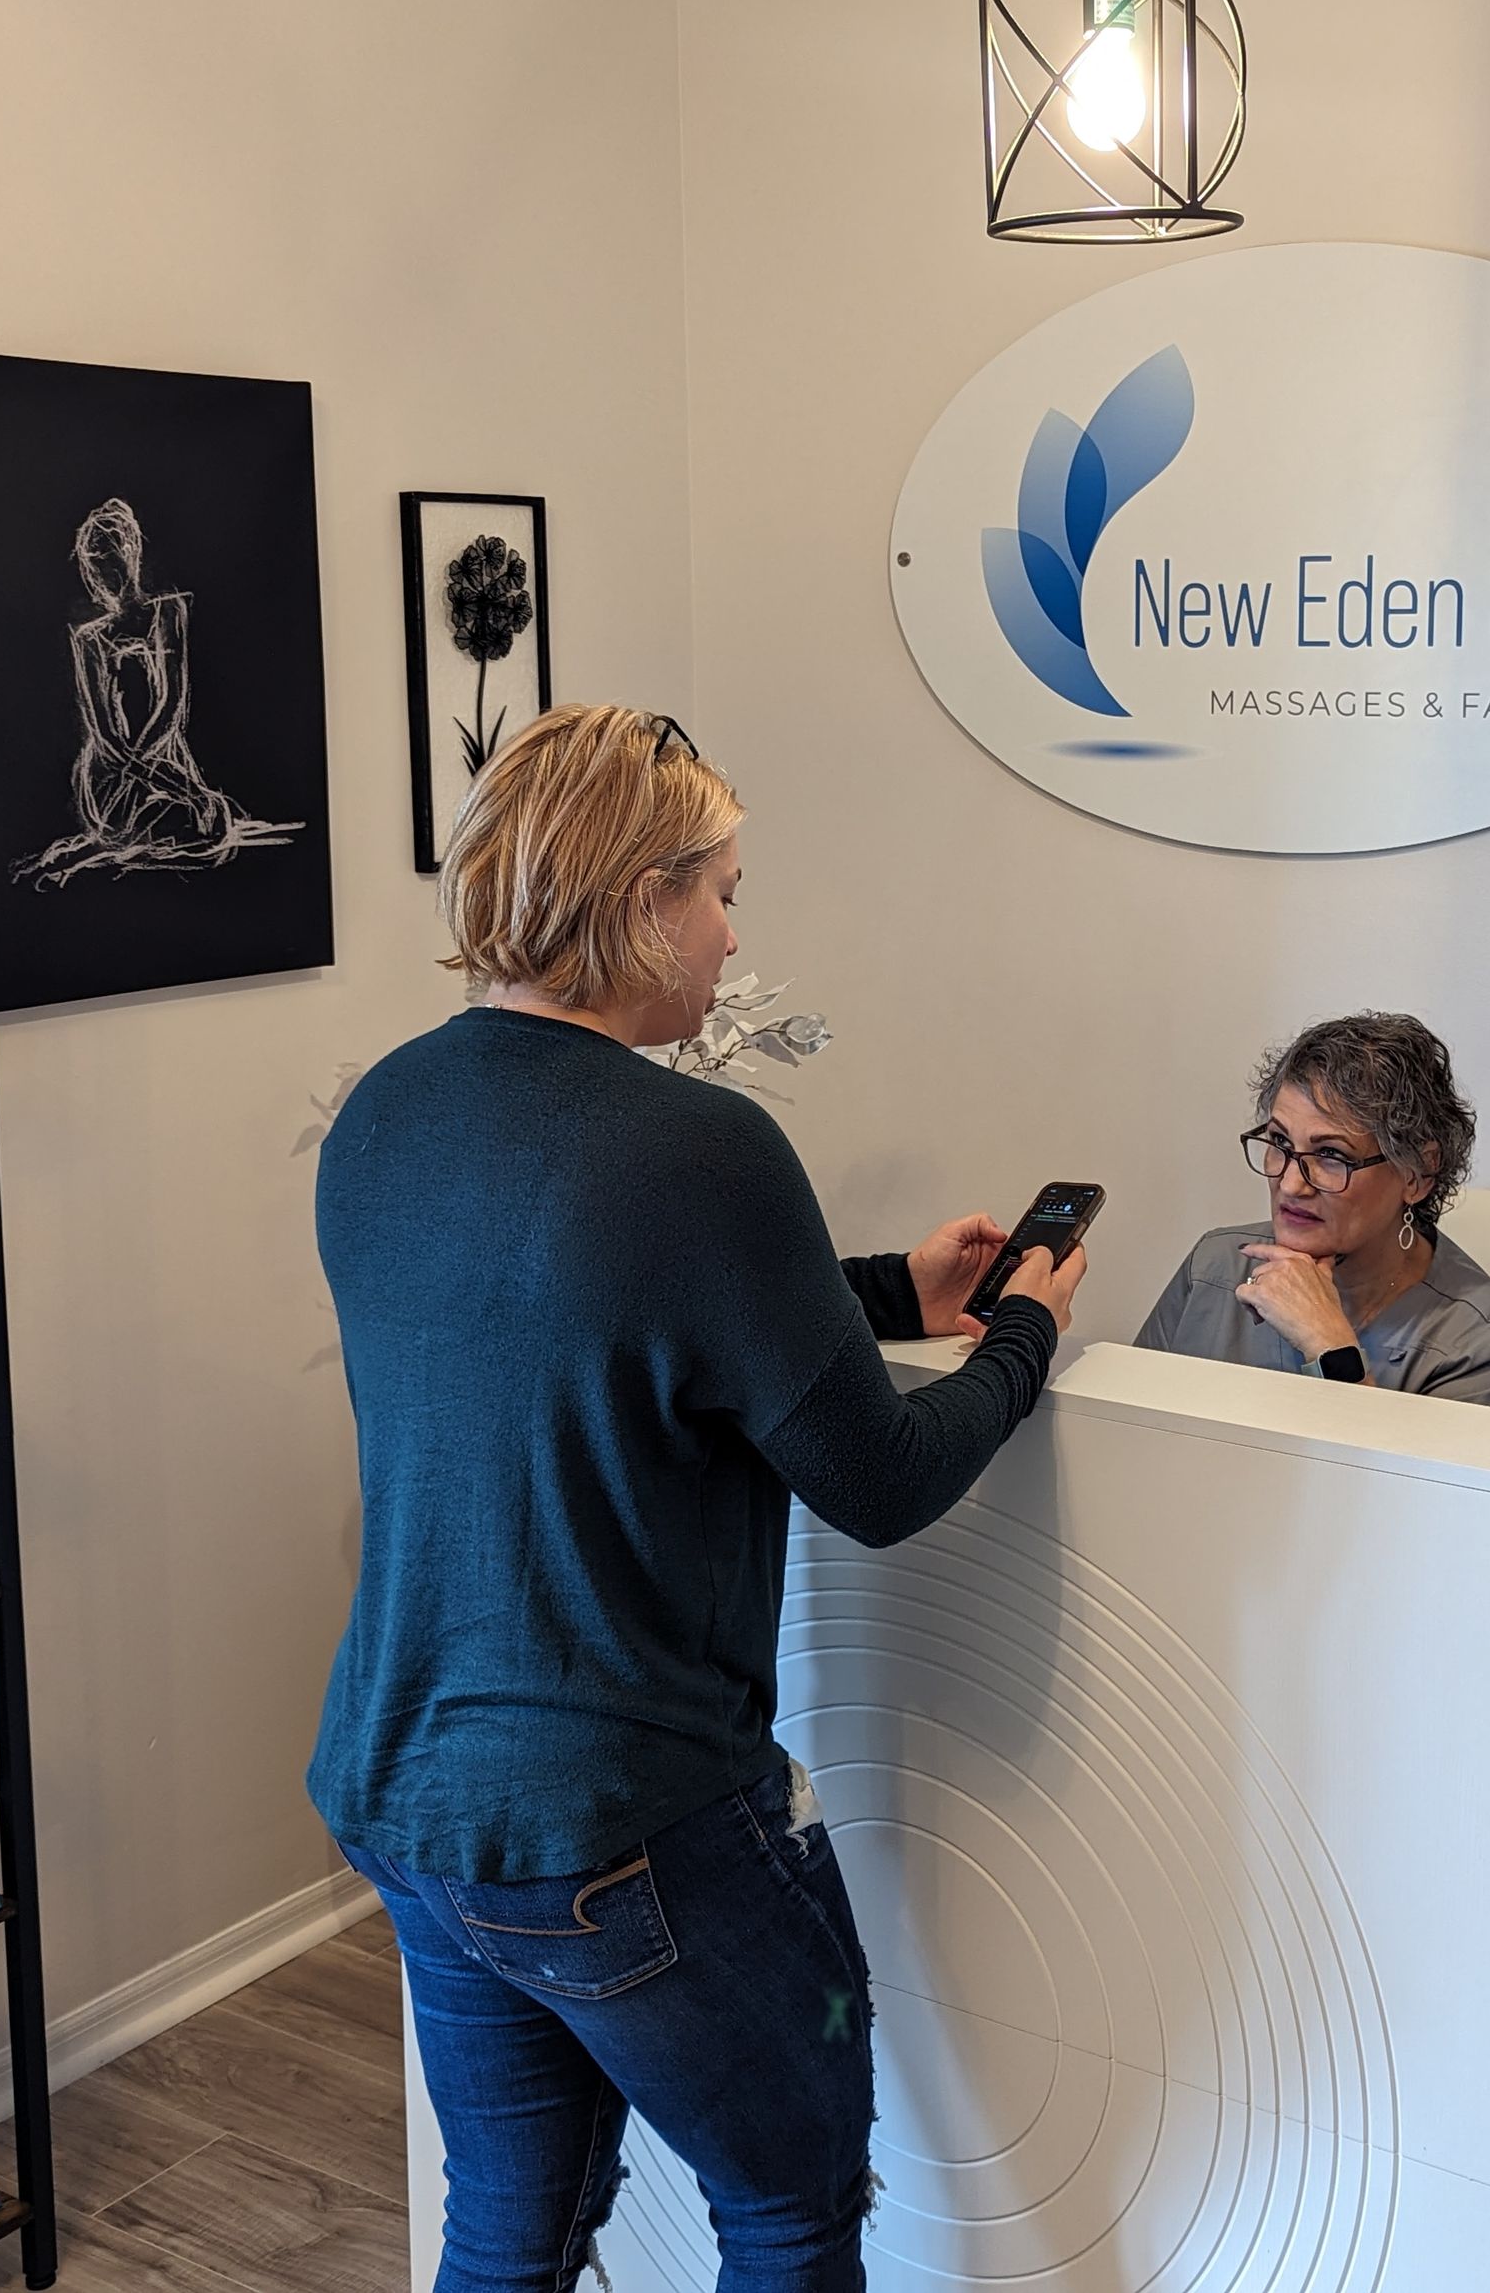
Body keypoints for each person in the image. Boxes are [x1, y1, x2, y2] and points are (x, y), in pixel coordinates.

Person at [306, 702, 1085, 2293]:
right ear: (643, 901)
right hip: (618, 1820)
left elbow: (566, 1317)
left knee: (506, 2229)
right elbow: (877, 1479)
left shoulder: (387, 1107)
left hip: (406, 1800)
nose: (735, 936)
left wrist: (874, 1289)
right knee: (789, 2212)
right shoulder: (702, 1147)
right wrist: (1027, 1335)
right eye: (724, 889)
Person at [1137, 1011, 1490, 1408]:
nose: (1291, 1185)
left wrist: (1330, 1346)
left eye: (1331, 1155)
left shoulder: (1484, 1343)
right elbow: (1121, 1434)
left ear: (1418, 1173)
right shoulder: (1215, 1267)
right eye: (1279, 1141)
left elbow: (1391, 1475)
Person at [12, 496, 299, 885]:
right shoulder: (89, 638)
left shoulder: (168, 613)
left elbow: (172, 705)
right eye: (96, 568)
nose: (104, 578)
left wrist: (172, 778)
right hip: (112, 774)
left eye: (110, 563)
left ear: (130, 553)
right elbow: (105, 734)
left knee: (209, 827)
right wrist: (170, 784)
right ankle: (100, 845)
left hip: (164, 761)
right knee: (201, 826)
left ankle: (96, 848)